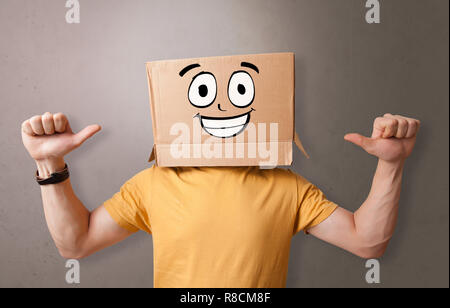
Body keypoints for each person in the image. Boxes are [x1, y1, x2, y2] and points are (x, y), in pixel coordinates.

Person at [21, 112, 420, 287]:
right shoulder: (154, 183)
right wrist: (49, 162)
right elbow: (75, 243)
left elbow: (367, 241)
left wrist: (392, 165)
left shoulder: (287, 188)